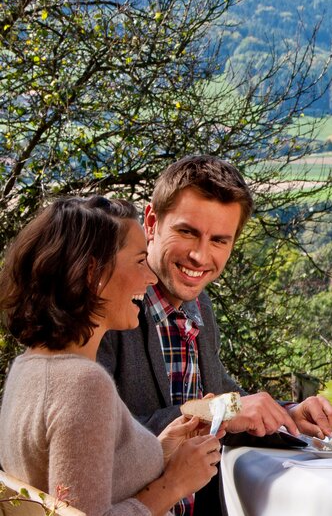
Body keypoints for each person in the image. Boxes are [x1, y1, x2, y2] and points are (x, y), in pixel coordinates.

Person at [96, 156, 332, 515]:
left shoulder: (200, 307)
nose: (200, 256)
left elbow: (226, 400)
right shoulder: (110, 305)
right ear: (151, 222)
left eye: (219, 240)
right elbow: (100, 442)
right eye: (187, 231)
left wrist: (287, 417)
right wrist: (221, 411)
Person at [0, 196, 223, 516]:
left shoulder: (27, 368)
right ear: (93, 273)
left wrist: (161, 452)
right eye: (138, 261)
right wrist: (174, 484)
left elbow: (86, 480)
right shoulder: (83, 385)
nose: (150, 278)